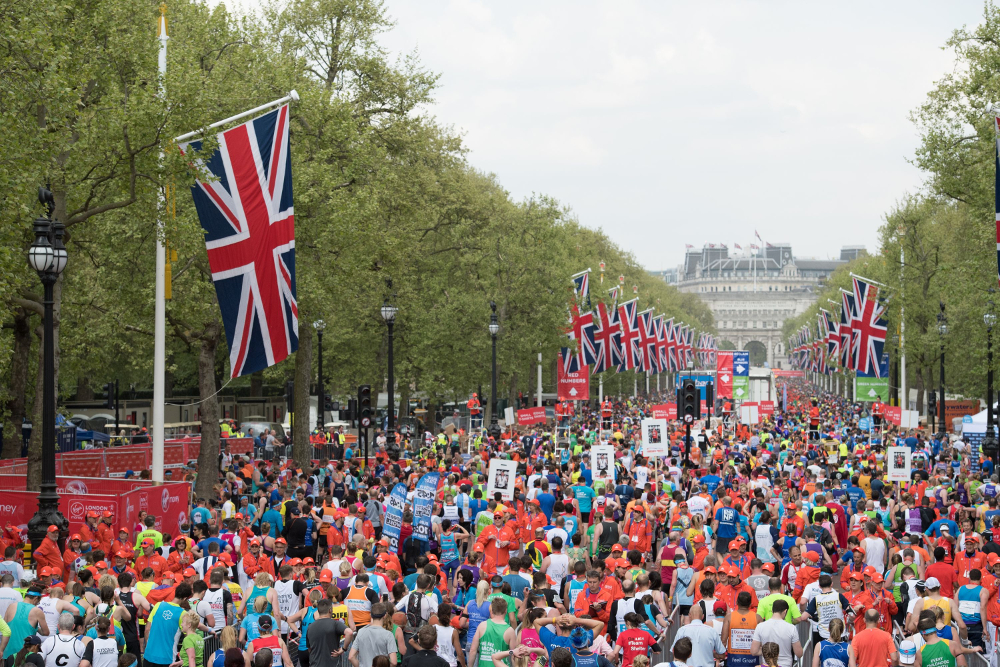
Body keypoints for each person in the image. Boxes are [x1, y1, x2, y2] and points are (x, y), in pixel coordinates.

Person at [911, 609, 982, 667]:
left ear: (923, 635)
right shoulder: (952, 645)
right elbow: (962, 665)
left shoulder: (919, 653)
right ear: (935, 629)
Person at [671, 602, 725, 667]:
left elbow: (674, 652)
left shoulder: (682, 630)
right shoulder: (712, 631)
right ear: (702, 616)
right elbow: (722, 654)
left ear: (689, 615)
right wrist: (711, 653)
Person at [750, 599, 801, 667]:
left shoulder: (760, 626)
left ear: (772, 610)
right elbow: (799, 653)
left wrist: (768, 651)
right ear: (785, 611)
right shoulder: (791, 628)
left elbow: (754, 651)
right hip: (785, 664)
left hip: (767, 664)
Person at [467, 598, 517, 667]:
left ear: (492, 610)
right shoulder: (510, 630)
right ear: (505, 611)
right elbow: (513, 655)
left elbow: (473, 650)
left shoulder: (482, 626)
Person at [306, 598, 352, 667]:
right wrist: (343, 649)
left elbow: (309, 648)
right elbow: (349, 632)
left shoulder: (310, 627)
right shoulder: (335, 624)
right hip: (333, 663)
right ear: (330, 610)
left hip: (315, 664)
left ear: (318, 611)